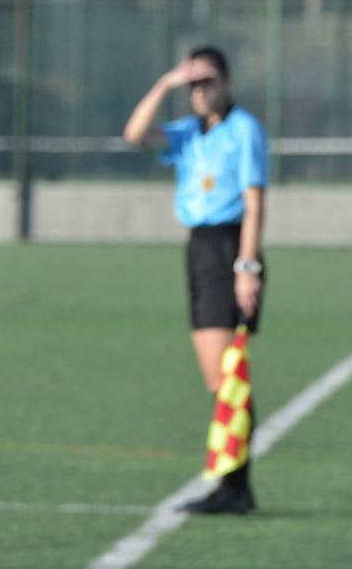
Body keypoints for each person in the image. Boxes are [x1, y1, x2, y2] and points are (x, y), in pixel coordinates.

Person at [122, 45, 267, 515]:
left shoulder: (244, 130)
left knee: (226, 376)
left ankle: (234, 488)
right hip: (199, 248)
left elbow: (254, 200)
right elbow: (135, 134)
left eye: (208, 82)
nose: (200, 92)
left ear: (226, 82)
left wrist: (246, 267)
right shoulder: (190, 133)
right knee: (218, 377)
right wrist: (167, 82)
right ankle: (233, 485)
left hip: (227, 249)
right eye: (193, 85)